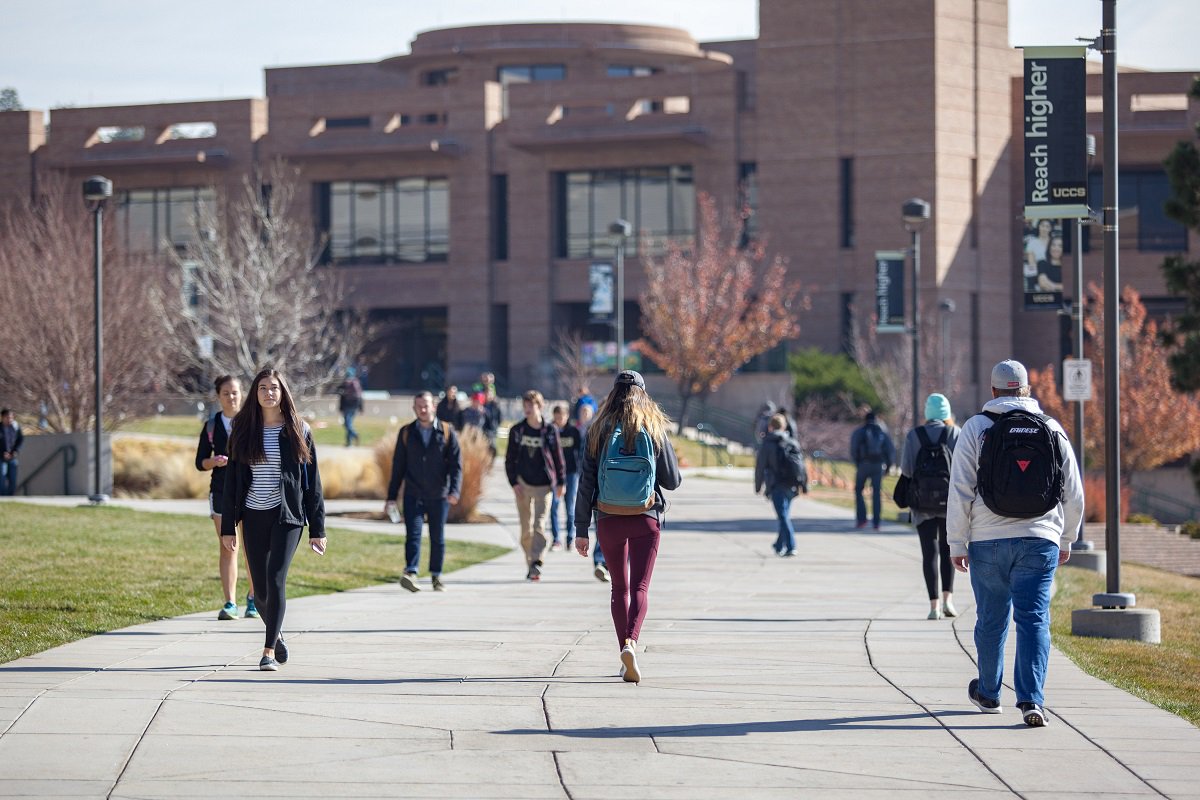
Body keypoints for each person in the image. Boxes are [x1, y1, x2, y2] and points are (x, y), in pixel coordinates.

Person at [948, 360, 1083, 727]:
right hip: (1040, 540)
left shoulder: (977, 428)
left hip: (988, 540)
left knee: (991, 619)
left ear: (993, 392)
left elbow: (959, 489)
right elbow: (1073, 491)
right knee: (1034, 619)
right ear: (1026, 390)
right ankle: (1031, 700)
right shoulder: (1052, 428)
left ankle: (990, 693)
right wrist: (1067, 536)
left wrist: (956, 542)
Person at [574, 370, 682, 683]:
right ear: (643, 395)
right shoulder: (654, 426)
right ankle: (632, 643)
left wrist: (581, 530)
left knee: (618, 587)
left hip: (608, 518)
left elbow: (585, 485)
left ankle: (623, 649)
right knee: (640, 587)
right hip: (645, 518)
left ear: (613, 395)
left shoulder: (598, 428)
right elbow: (672, 481)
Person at [223, 368, 327, 671]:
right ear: (255, 393)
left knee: (276, 579)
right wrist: (229, 526)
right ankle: (277, 635)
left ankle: (268, 650)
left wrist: (317, 529)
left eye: (275, 388)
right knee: (262, 592)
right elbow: (232, 483)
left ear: (283, 393)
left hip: (288, 517)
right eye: (263, 388)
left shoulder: (298, 429)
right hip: (253, 516)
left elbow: (313, 483)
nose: (269, 393)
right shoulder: (243, 428)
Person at [194, 376, 259, 620]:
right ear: (218, 397)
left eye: (235, 393)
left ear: (242, 394)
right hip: (221, 491)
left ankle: (253, 600)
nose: (231, 397)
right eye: (226, 393)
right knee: (228, 547)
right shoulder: (212, 426)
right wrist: (215, 461)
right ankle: (230, 602)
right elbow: (200, 461)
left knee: (251, 549)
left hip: (251, 492)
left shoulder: (252, 422)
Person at [385, 391, 462, 592]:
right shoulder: (407, 433)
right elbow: (398, 467)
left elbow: (456, 466)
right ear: (414, 408)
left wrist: (455, 490)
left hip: (440, 495)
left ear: (434, 406)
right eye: (419, 406)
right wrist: (391, 497)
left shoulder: (446, 431)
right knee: (413, 534)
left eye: (426, 405)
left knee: (438, 537)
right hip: (413, 494)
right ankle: (411, 572)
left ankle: (437, 576)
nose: (423, 409)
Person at [899, 393, 960, 620]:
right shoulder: (955, 433)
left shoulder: (914, 435)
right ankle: (948, 600)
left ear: (927, 412)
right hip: (949, 504)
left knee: (929, 553)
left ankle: (933, 606)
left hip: (921, 504)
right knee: (948, 551)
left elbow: (906, 470)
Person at [504, 390, 565, 580]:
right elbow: (509, 459)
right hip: (523, 484)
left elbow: (558, 457)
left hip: (544, 486)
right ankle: (530, 561)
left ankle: (537, 561)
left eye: (531, 406)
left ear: (540, 407)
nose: (528, 409)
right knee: (525, 529)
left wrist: (561, 482)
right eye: (525, 406)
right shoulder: (517, 430)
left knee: (539, 525)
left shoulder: (549, 430)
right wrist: (514, 482)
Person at [754, 413, 802, 557]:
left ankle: (791, 545)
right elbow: (801, 466)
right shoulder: (792, 442)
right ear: (784, 426)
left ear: (770, 426)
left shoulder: (767, 444)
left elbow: (760, 467)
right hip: (791, 484)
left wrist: (758, 485)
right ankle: (779, 544)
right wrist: (804, 484)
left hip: (776, 484)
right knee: (784, 514)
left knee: (783, 517)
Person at [850, 410, 895, 529]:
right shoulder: (882, 432)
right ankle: (876, 522)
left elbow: (853, 450)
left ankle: (862, 519)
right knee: (876, 493)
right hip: (878, 465)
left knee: (858, 491)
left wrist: (858, 464)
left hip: (863, 464)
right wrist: (888, 466)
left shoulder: (860, 431)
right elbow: (890, 450)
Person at [548, 404, 582, 552]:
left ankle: (570, 538)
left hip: (571, 473)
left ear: (567, 416)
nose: (559, 419)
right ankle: (556, 540)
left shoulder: (574, 431)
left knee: (570, 507)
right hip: (554, 475)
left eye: (562, 416)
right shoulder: (549, 431)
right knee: (554, 506)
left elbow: (580, 453)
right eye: (557, 416)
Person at [337, 368, 364, 446]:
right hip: (355, 406)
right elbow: (360, 396)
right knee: (349, 423)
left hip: (347, 406)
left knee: (347, 424)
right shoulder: (356, 383)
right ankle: (349, 443)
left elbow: (341, 397)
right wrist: (361, 408)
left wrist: (341, 408)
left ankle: (355, 435)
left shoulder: (345, 384)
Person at [0, 408, 24, 496]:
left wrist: (15, 451)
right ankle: (2, 497)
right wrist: (2, 453)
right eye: (7, 417)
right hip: (1, 457)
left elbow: (20, 440)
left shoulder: (15, 428)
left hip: (12, 457)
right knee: (1, 477)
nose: (10, 419)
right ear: (2, 417)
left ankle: (10, 497)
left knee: (13, 478)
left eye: (11, 417)